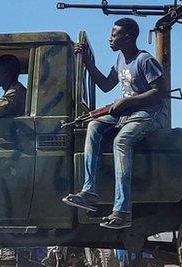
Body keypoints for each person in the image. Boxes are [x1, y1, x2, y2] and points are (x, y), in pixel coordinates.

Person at [61, 18, 168, 229]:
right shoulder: (120, 60)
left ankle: (122, 210)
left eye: (114, 34)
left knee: (121, 141)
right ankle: (89, 191)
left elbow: (160, 92)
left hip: (148, 114)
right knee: (94, 125)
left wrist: (128, 101)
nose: (110, 38)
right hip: (126, 114)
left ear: (127, 37)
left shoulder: (144, 60)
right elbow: (106, 85)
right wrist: (87, 63)